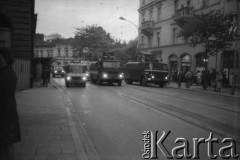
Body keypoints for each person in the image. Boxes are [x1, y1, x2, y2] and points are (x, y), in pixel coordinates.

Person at [0, 48, 21, 160]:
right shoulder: (7, 71)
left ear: (3, 58)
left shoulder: (6, 73)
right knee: (6, 142)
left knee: (7, 142)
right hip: (8, 108)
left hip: (5, 111)